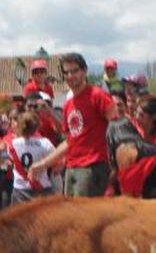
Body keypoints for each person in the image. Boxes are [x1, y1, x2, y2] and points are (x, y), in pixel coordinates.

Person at [29, 53, 118, 197]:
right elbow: (69, 142)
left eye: (75, 71)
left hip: (92, 167)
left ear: (84, 71)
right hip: (71, 168)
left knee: (85, 216)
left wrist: (116, 166)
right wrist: (42, 164)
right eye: (66, 72)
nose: (70, 76)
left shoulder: (97, 95)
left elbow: (117, 126)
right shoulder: (68, 105)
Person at [5, 111, 55, 204]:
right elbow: (56, 160)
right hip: (42, 188)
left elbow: (8, 161)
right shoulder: (45, 143)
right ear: (37, 126)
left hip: (21, 190)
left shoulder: (12, 144)